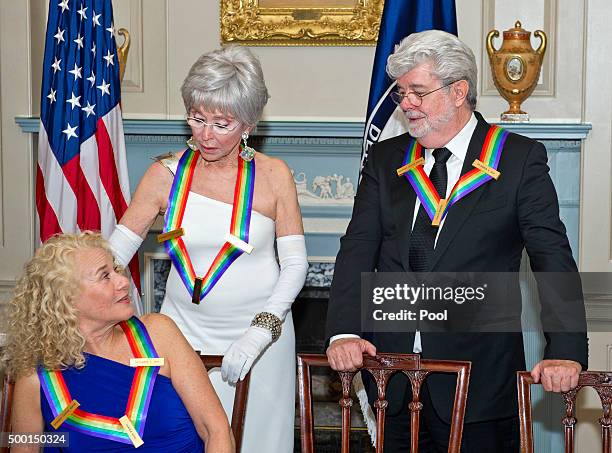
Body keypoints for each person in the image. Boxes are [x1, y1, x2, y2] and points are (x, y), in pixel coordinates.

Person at [325, 30, 588, 452]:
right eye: (401, 92)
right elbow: (357, 248)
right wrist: (342, 332)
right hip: (391, 383)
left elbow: (552, 257)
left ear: (459, 90)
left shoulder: (518, 158)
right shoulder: (387, 159)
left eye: (417, 91)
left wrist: (567, 350)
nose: (406, 102)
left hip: (480, 385)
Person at [108, 46, 308, 452]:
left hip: (261, 337)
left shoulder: (273, 176)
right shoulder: (163, 175)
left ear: (248, 124)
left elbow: (295, 264)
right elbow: (114, 253)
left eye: (222, 123)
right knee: (183, 438)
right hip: (181, 336)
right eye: (197, 119)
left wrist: (260, 332)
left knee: (257, 442)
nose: (205, 134)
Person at [1, 232, 233, 452]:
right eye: (105, 276)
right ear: (66, 299)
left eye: (116, 269)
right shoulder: (36, 375)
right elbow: (24, 446)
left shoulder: (159, 334)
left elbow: (217, 431)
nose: (123, 281)